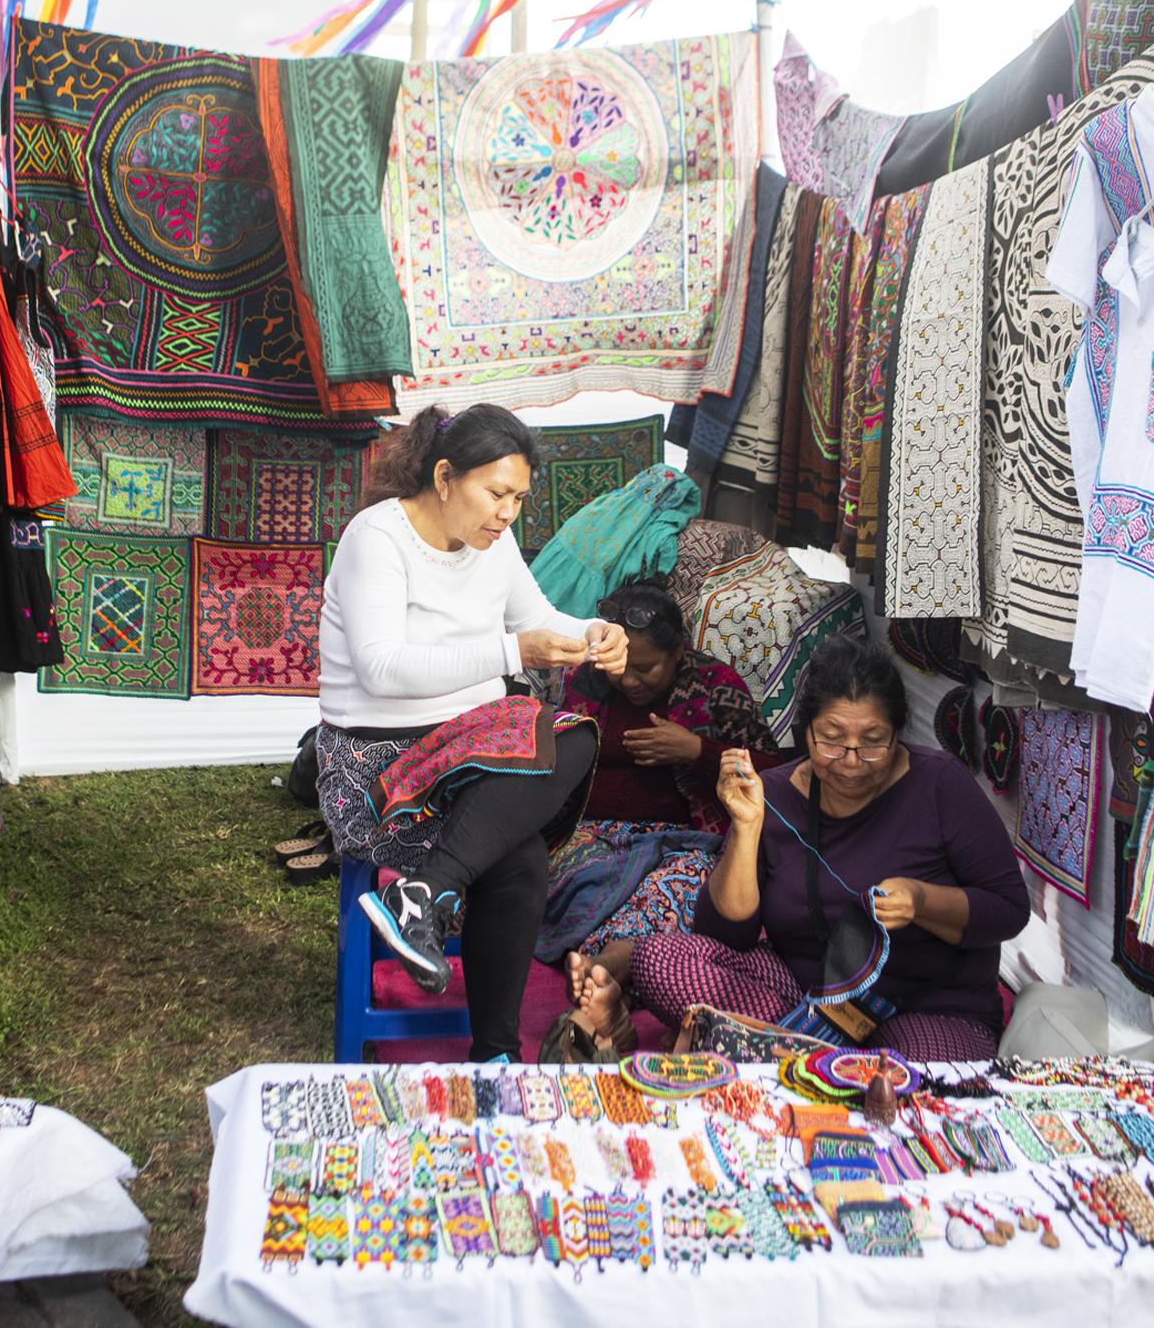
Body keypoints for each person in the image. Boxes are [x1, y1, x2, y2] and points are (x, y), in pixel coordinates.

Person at [317, 403, 626, 1063]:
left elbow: (543, 617)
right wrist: (513, 653)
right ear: (446, 476)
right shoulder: (377, 538)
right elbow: (380, 667)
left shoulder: (495, 543)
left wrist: (596, 633)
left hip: (466, 753)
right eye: (496, 493)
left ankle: (489, 1047)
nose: (507, 512)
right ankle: (429, 895)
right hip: (375, 765)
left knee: (570, 739)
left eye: (517, 497)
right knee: (521, 850)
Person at [569, 635, 1031, 1061]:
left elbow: (1008, 910)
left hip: (929, 1005)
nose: (851, 761)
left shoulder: (939, 784)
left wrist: (923, 901)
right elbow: (725, 934)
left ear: (896, 734)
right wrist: (747, 828)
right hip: (803, 994)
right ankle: (787, 1052)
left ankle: (758, 1050)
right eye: (832, 740)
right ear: (805, 731)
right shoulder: (772, 794)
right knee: (660, 960)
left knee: (907, 1075)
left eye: (873, 743)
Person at [534, 581, 781, 962]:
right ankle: (609, 962)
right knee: (575, 884)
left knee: (682, 885)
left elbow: (775, 773)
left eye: (646, 668)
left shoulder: (715, 685)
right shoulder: (585, 681)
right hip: (589, 835)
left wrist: (697, 751)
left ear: (679, 651)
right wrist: (604, 745)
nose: (629, 681)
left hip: (683, 841)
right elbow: (548, 754)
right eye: (619, 667)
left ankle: (612, 963)